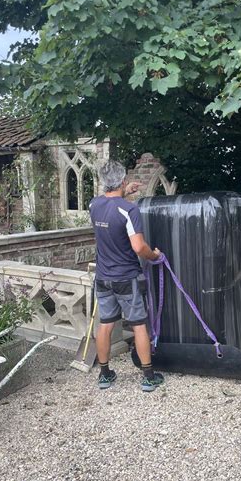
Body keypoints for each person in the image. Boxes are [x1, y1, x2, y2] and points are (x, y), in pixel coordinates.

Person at [89, 160, 165, 392]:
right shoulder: (129, 210)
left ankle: (104, 375)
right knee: (139, 325)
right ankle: (149, 376)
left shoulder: (94, 205)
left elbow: (109, 204)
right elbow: (138, 247)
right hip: (126, 278)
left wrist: (124, 191)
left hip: (103, 278)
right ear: (122, 181)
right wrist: (154, 256)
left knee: (106, 325)